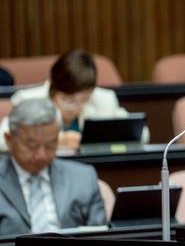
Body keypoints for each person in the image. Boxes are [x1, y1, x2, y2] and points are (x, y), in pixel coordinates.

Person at [0, 98, 106, 236]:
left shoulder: (83, 177)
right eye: (32, 146)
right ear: (9, 139)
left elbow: (100, 236)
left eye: (50, 145)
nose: (41, 155)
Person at [0, 49, 134, 152]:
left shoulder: (104, 99)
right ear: (54, 89)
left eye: (84, 99)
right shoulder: (29, 100)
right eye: (69, 100)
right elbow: (3, 140)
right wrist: (52, 142)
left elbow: (138, 133)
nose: (77, 107)